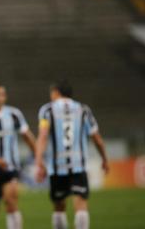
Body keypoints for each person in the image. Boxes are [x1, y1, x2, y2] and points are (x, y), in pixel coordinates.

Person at [35, 80, 109, 229]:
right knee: (81, 204)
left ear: (55, 92)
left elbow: (42, 136)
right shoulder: (83, 109)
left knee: (59, 208)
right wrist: (104, 159)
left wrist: (39, 162)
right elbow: (97, 139)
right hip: (78, 166)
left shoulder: (47, 110)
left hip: (57, 168)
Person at [0, 84, 36, 229]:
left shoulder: (14, 114)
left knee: (11, 202)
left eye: (1, 94)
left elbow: (27, 136)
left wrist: (39, 157)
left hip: (10, 168)